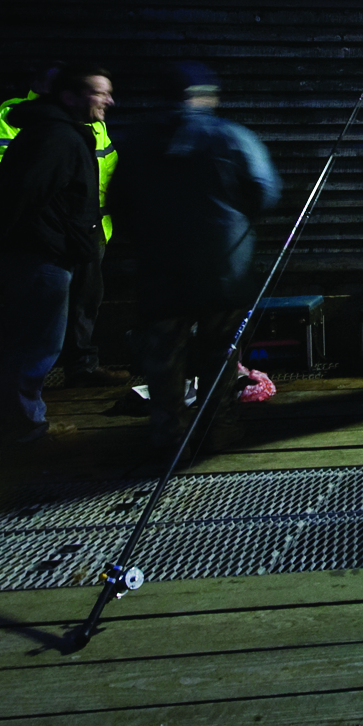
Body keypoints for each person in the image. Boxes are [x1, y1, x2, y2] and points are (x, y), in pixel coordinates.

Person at [110, 61, 281, 457]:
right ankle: (217, 429)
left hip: (160, 267)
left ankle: (170, 435)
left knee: (164, 354)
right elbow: (265, 192)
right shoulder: (233, 136)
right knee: (220, 351)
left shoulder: (136, 140)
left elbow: (117, 202)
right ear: (204, 96)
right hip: (225, 266)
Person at [0, 61, 113, 456]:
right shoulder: (57, 138)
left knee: (34, 345)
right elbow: (22, 196)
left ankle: (26, 427)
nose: (108, 100)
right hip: (39, 257)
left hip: (42, 252)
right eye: (99, 92)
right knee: (35, 347)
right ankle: (25, 435)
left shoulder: (55, 132)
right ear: (69, 97)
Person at [0, 62, 120, 381]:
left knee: (85, 302)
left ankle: (81, 367)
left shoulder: (87, 121)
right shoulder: (17, 117)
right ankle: (28, 413)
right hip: (52, 235)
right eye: (99, 93)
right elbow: (3, 170)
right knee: (40, 324)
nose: (107, 101)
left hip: (90, 230)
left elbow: (108, 166)